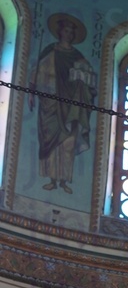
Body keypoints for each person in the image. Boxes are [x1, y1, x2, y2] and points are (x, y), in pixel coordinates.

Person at [29, 13, 96, 194]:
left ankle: (65, 180)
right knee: (50, 143)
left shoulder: (78, 56)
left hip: (72, 107)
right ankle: (51, 180)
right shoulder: (50, 51)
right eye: (66, 31)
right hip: (50, 104)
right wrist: (31, 93)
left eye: (71, 32)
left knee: (68, 144)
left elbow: (88, 81)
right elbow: (37, 73)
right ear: (59, 32)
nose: (69, 35)